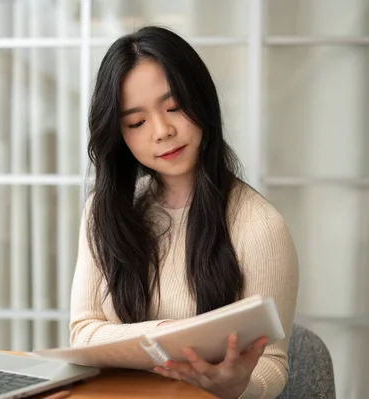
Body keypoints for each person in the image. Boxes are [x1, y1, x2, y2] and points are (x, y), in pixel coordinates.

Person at [68, 25, 299, 399]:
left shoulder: (260, 226)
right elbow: (83, 332)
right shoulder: (104, 211)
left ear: (202, 102)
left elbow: (271, 362)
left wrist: (239, 385)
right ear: (119, 134)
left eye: (174, 107)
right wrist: (171, 336)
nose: (162, 131)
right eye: (136, 122)